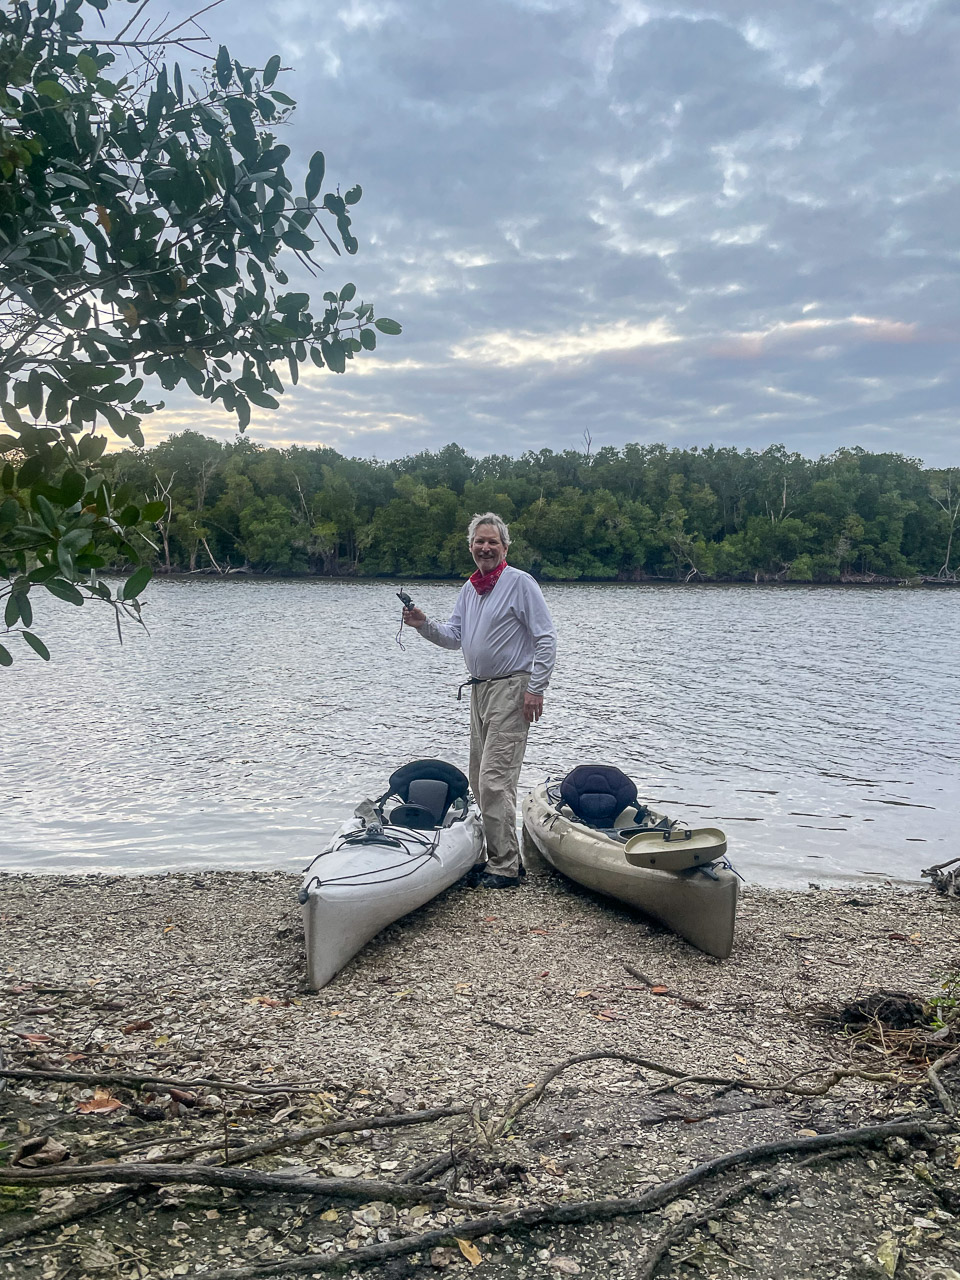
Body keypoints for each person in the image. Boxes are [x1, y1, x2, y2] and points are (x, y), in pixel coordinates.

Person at [402, 512, 557, 889]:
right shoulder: (470, 588)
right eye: (479, 541)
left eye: (492, 542)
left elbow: (546, 639)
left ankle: (505, 867)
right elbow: (455, 636)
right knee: (480, 778)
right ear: (470, 546)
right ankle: (500, 856)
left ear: (505, 547)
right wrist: (423, 624)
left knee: (494, 780)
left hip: (512, 688)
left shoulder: (520, 583)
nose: (485, 547)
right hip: (478, 689)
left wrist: (536, 688)